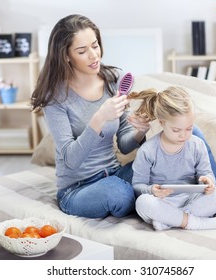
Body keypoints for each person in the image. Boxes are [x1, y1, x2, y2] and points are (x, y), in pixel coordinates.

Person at [30, 14, 151, 219]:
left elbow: (124, 144)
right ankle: (147, 195)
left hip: (115, 173)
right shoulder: (56, 98)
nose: (94, 55)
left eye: (95, 46)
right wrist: (99, 118)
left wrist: (140, 132)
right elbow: (70, 160)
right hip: (78, 189)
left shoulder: (113, 81)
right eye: (82, 51)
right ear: (66, 56)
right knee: (117, 193)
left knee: (178, 146)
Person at [128, 86, 216, 231]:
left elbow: (207, 173)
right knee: (142, 202)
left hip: (191, 200)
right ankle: (198, 223)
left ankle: (170, 221)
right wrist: (152, 190)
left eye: (189, 128)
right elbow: (137, 186)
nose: (183, 135)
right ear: (161, 122)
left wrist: (208, 180)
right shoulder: (148, 150)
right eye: (176, 130)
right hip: (162, 202)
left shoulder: (197, 145)